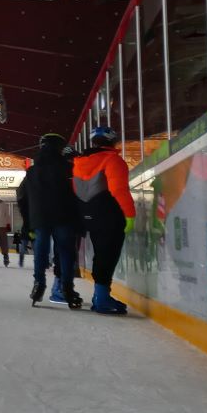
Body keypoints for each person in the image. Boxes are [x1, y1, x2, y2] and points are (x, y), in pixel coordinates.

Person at [73, 127, 136, 315]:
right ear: (113, 141)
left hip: (89, 215)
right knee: (108, 255)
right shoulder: (113, 160)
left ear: (93, 142)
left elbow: (76, 190)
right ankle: (102, 299)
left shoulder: (78, 163)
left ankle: (100, 296)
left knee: (100, 254)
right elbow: (119, 190)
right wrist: (130, 215)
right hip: (110, 215)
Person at [18, 133, 83, 309]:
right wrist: (80, 219)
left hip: (40, 218)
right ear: (59, 148)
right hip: (64, 216)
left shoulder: (31, 172)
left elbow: (21, 196)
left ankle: (39, 284)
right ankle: (67, 288)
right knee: (65, 252)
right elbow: (78, 194)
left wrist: (27, 221)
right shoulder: (68, 168)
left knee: (41, 250)